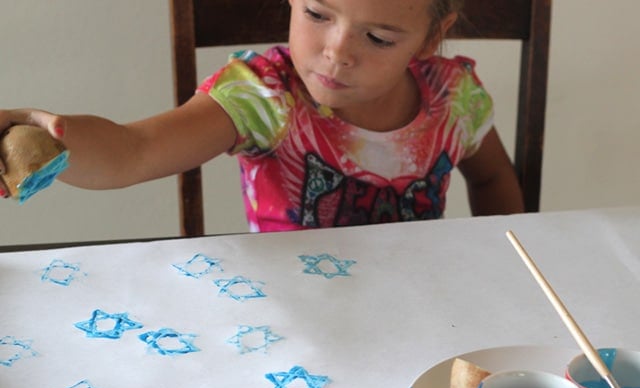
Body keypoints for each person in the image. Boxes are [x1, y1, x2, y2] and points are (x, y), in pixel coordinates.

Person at [0, 0, 524, 232]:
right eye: (317, 15)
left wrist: (501, 258)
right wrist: (52, 134)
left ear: (433, 35)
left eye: (379, 37)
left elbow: (494, 175)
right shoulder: (265, 95)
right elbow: (134, 151)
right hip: (296, 322)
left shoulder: (454, 97)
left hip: (425, 315)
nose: (337, 52)